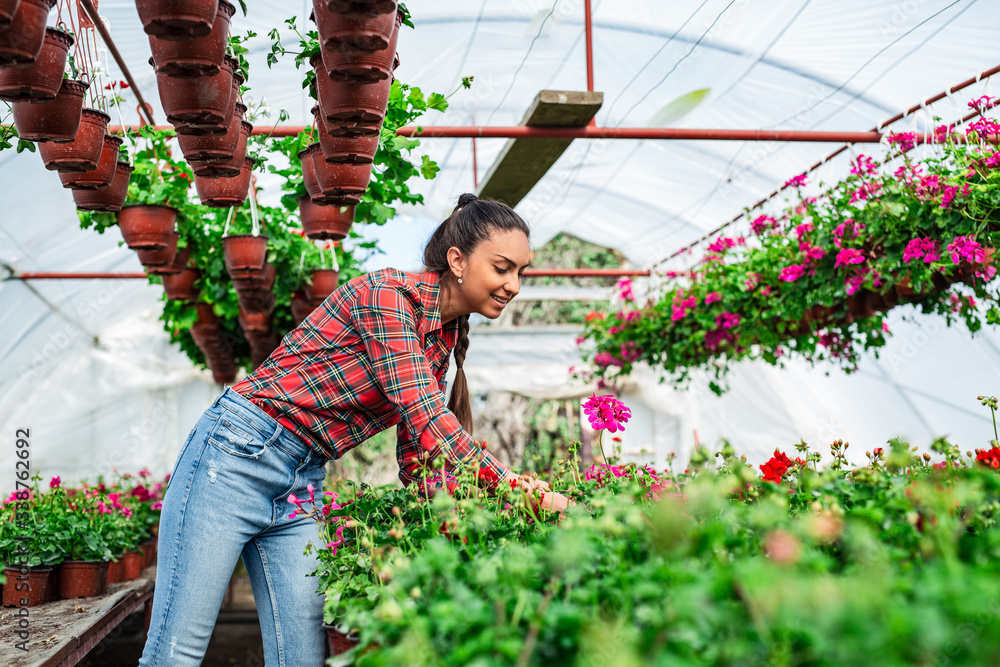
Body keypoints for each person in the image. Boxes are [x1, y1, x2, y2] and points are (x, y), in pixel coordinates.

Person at [139, 194, 571, 666]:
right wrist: (513, 489)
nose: (514, 285)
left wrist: (474, 517)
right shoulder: (388, 297)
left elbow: (418, 461)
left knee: (302, 660)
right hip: (237, 455)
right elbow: (427, 416)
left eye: (521, 272)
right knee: (175, 656)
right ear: (457, 260)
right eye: (503, 267)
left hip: (302, 480)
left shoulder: (440, 340)